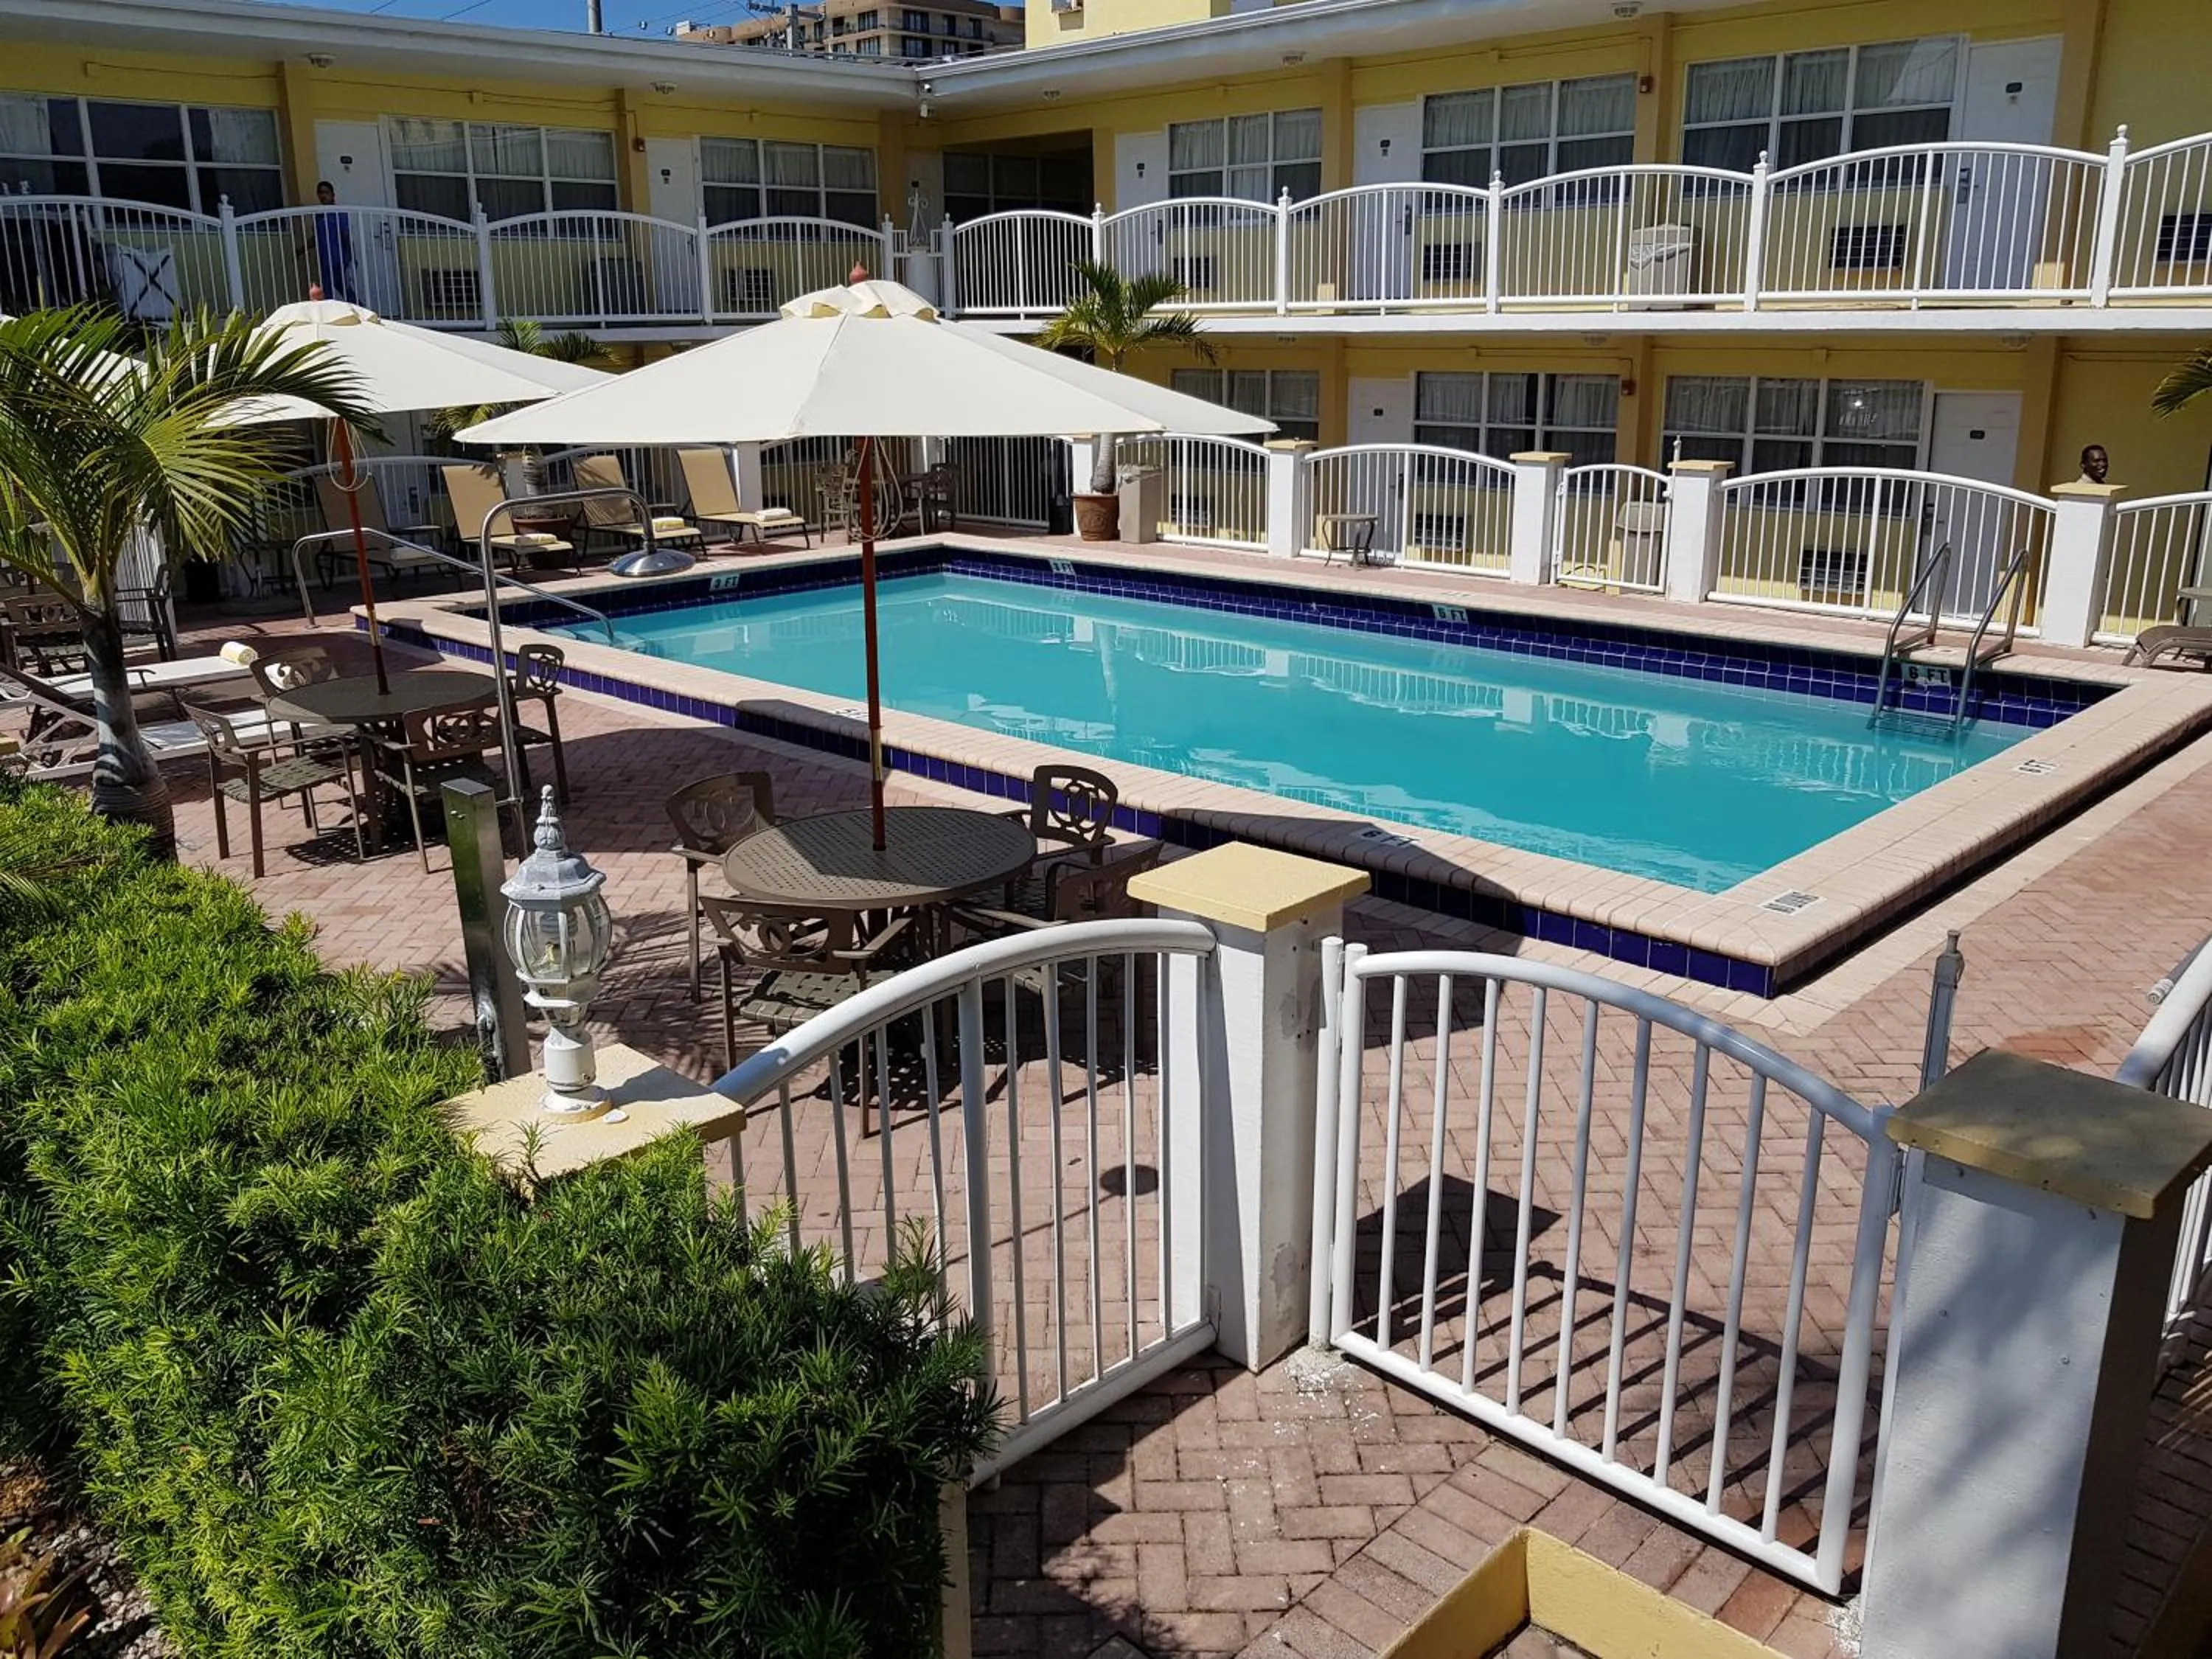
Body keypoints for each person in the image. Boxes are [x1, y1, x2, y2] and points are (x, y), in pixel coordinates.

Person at [312, 181, 358, 304]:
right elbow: (317, 237)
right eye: (320, 193)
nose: (323, 196)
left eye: (326, 192)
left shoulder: (339, 212)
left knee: (345, 289)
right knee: (327, 291)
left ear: (333, 195)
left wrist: (351, 256)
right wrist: (302, 249)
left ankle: (360, 310)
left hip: (339, 259)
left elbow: (346, 235)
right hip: (325, 260)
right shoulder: (319, 214)